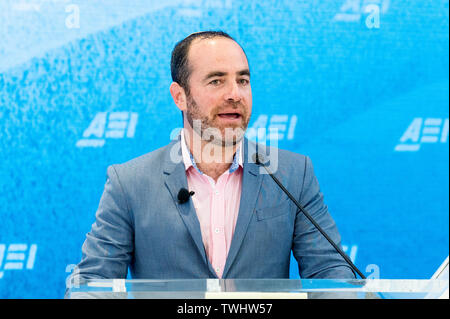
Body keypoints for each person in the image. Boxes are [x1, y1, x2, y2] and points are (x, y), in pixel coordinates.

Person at [67, 31, 355, 292]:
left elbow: (330, 274)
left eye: (242, 80)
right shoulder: (129, 183)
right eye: (217, 81)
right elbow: (92, 285)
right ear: (179, 96)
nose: (235, 94)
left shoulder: (292, 174)